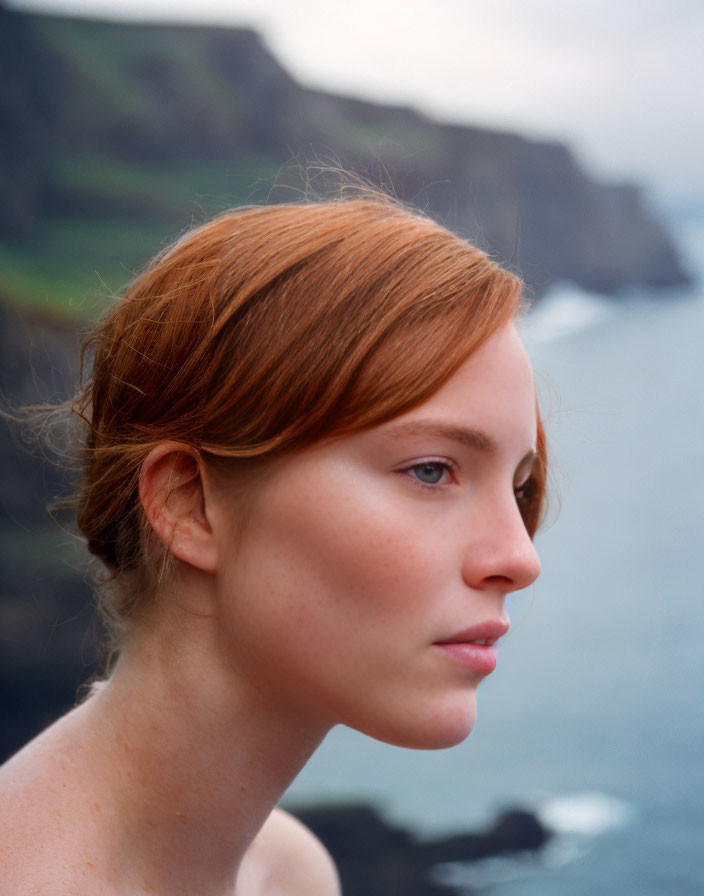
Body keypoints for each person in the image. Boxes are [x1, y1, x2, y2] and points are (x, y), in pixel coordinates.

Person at [0, 195, 546, 895]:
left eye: (521, 487)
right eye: (431, 470)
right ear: (188, 503)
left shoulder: (289, 874)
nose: (520, 557)